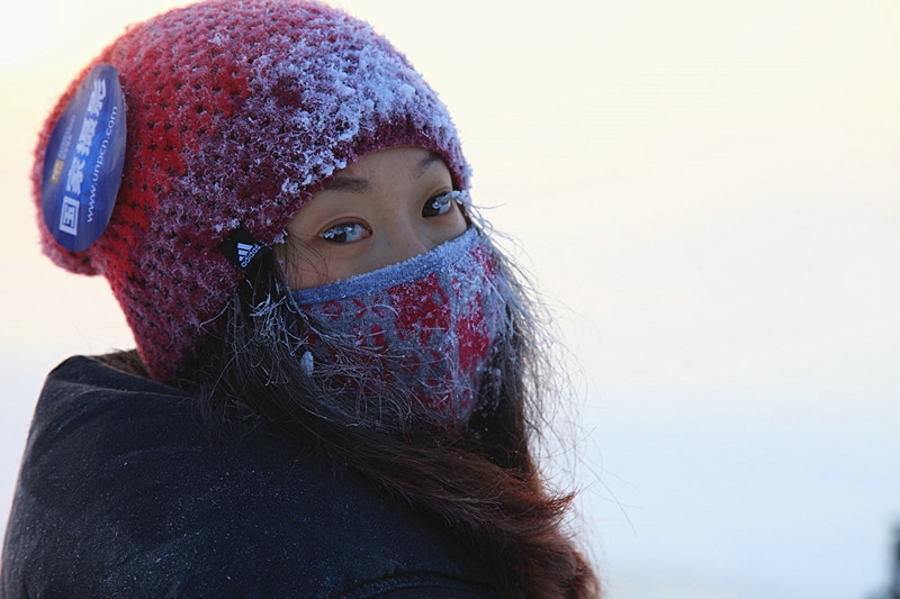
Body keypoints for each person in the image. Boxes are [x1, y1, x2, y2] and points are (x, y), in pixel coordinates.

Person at [1, 0, 599, 597]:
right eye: (342, 230)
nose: (423, 265)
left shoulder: (119, 514)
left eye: (436, 203)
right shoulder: (355, 577)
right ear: (220, 302)